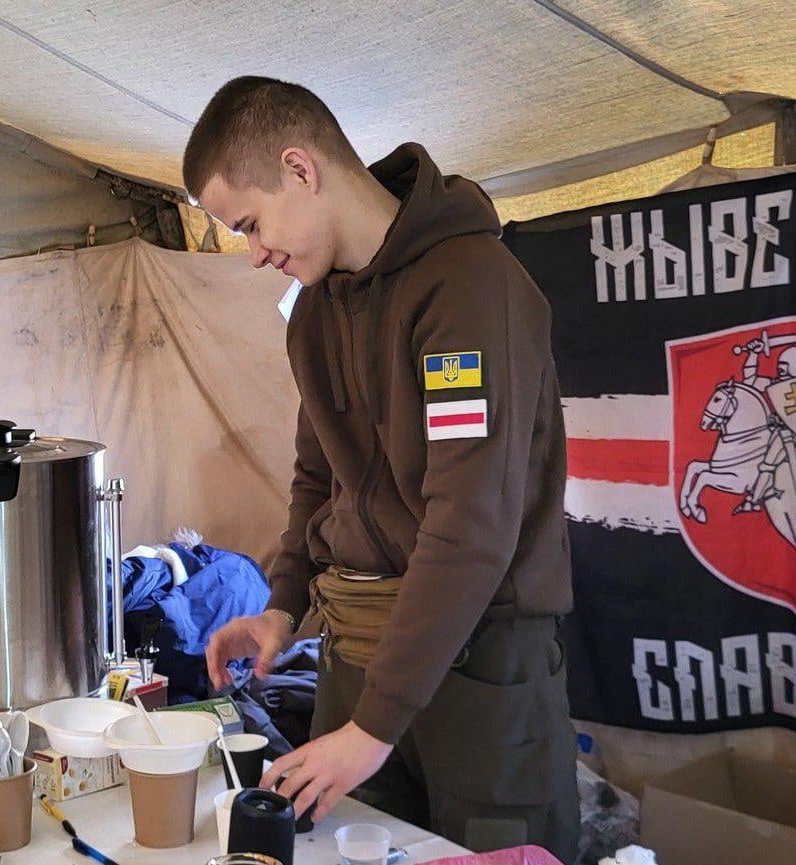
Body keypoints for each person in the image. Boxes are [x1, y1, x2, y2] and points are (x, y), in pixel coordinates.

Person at [187, 76, 579, 861]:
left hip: (478, 666)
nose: (256, 253)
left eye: (251, 224)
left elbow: (470, 526)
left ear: (300, 168)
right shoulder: (318, 311)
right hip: (355, 656)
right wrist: (282, 605)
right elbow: (317, 478)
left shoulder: (469, 290)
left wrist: (371, 727)